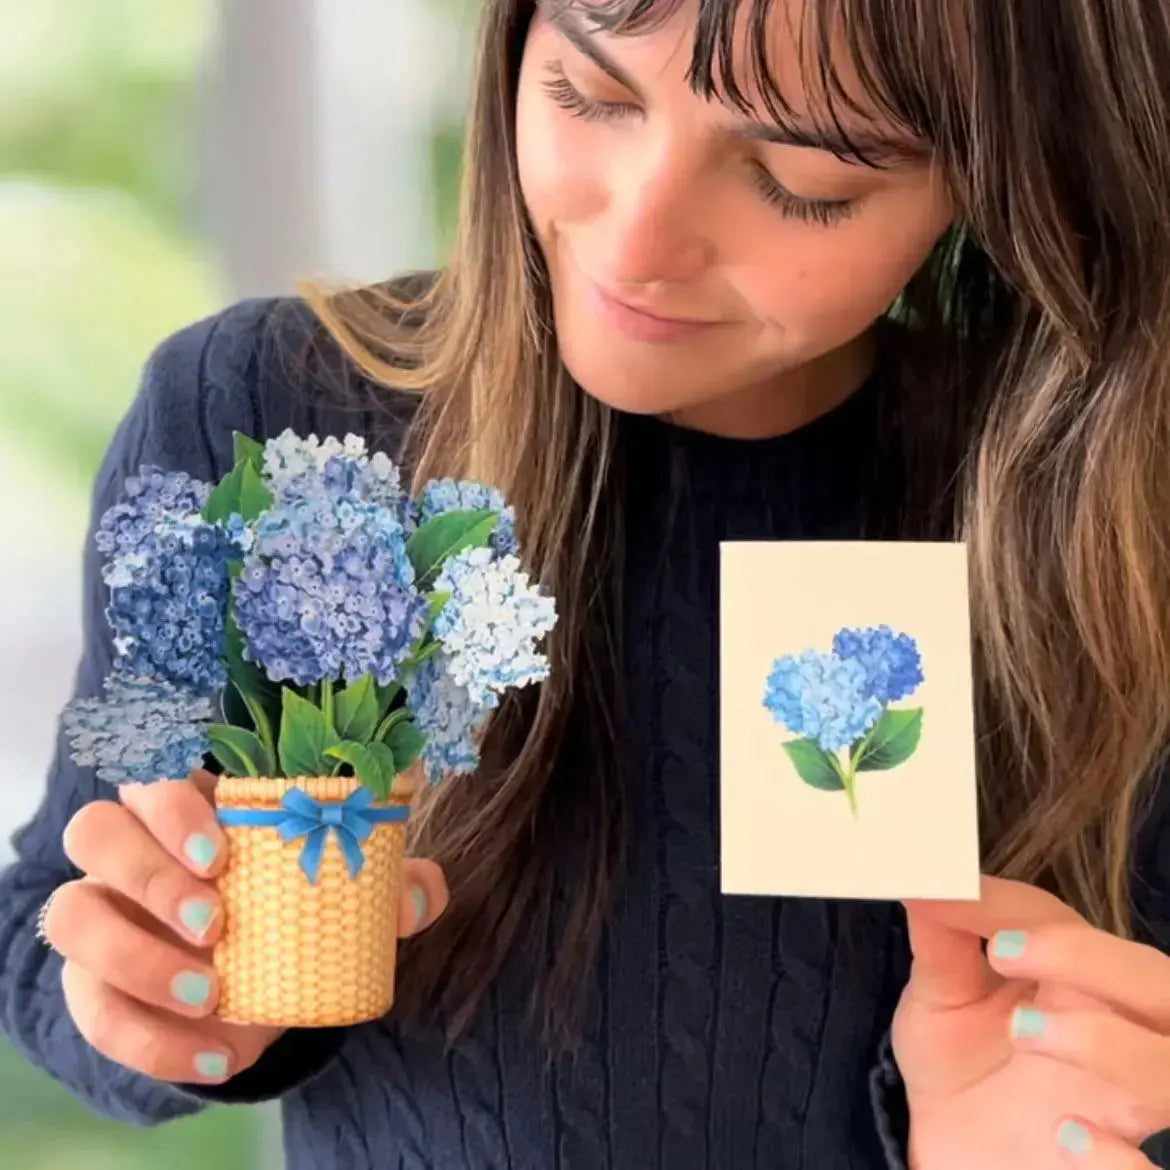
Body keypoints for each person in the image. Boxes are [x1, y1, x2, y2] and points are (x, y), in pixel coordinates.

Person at [4, 0, 1170, 1165]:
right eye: (590, 96)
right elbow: (46, 944)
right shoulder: (269, 422)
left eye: (802, 177)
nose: (638, 239)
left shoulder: (1112, 532)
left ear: (997, 174)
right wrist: (156, 1000)